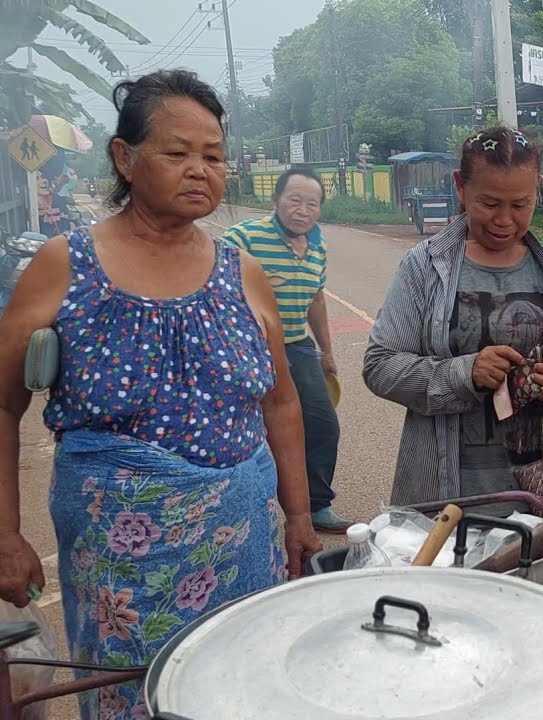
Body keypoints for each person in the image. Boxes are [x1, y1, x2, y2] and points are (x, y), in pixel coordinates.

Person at [0, 70, 321, 720]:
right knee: (135, 700)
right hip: (121, 567)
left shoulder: (243, 272)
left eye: (213, 156)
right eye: (177, 153)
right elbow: (2, 404)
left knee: (240, 691)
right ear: (125, 156)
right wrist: (4, 534)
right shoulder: (68, 264)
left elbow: (281, 403)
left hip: (243, 549)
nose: (200, 170)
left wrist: (299, 515)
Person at [363, 126, 543, 512]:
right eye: (490, 203)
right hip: (447, 500)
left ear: (538, 190)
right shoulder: (424, 268)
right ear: (461, 187)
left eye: (520, 205)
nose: (504, 220)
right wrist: (464, 374)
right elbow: (380, 366)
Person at [224, 168, 351, 533]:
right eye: (294, 200)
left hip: (297, 346)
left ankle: (316, 506)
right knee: (248, 431)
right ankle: (246, 510)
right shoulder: (243, 238)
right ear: (276, 200)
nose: (302, 209)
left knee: (323, 426)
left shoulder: (318, 246)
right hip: (249, 350)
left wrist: (326, 351)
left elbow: (316, 298)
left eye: (312, 203)